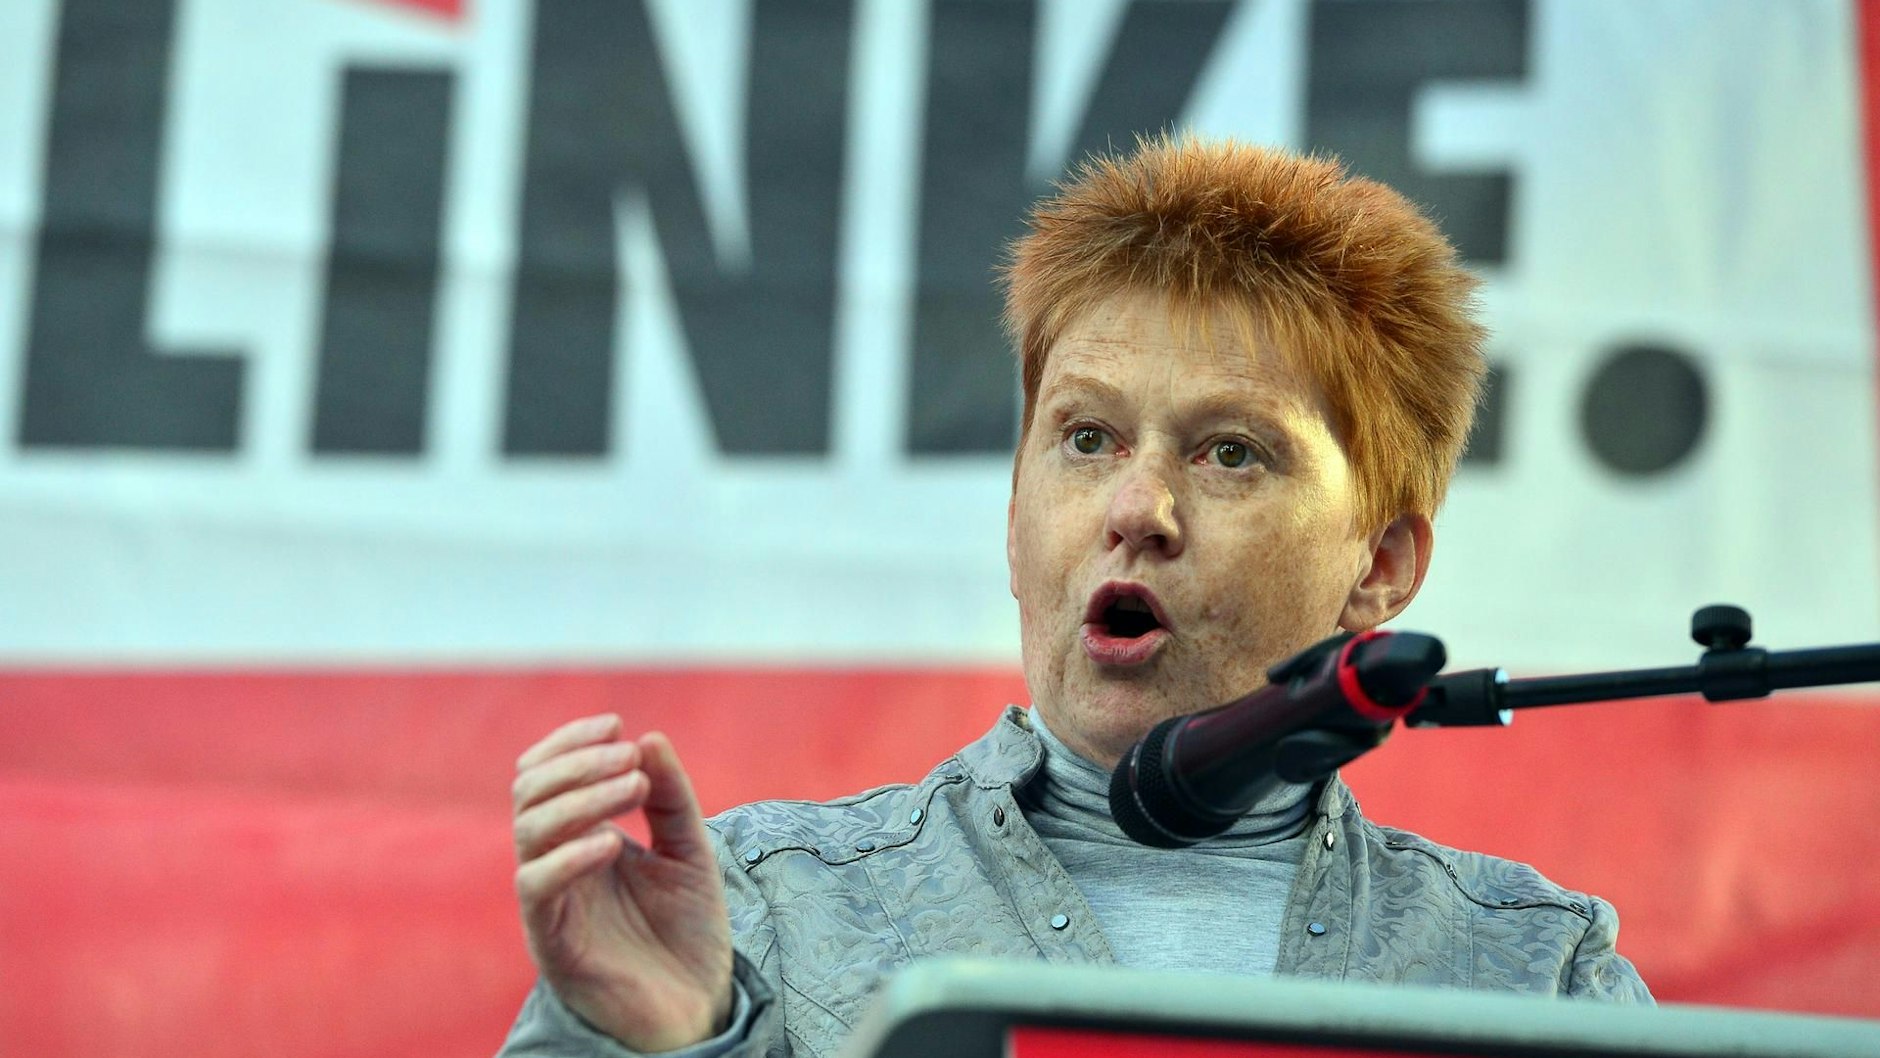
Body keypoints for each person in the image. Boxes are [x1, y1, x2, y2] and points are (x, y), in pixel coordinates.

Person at [497, 135, 1651, 1058]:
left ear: (1382, 565)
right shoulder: (765, 916)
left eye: (1230, 452)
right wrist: (666, 1046)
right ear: (1014, 518)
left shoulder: (1535, 975)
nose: (1136, 505)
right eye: (1087, 437)